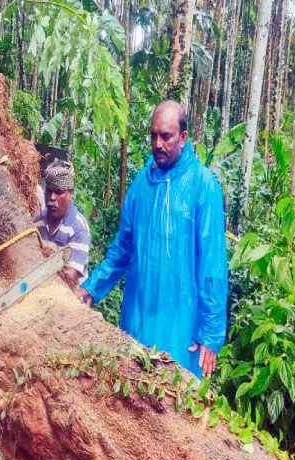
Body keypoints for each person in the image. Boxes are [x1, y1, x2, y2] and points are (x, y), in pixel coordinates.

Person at [74, 101, 228, 379]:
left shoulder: (203, 185)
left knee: (176, 401)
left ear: (183, 137)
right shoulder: (140, 185)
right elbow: (122, 249)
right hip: (138, 315)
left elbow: (213, 265)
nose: (158, 143)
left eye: (166, 136)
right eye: (153, 135)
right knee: (134, 398)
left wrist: (211, 334)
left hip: (183, 326)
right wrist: (91, 288)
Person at [36, 159, 91, 288]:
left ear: (70, 193)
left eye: (59, 192)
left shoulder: (78, 228)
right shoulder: (39, 220)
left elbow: (70, 277)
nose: (52, 197)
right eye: (49, 191)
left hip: (68, 296)